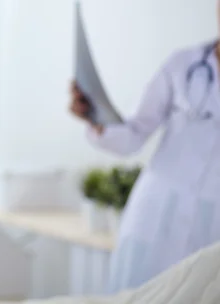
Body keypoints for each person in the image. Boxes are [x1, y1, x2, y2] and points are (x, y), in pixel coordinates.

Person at [69, 35, 220, 293]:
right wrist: (95, 118)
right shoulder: (183, 63)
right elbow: (133, 135)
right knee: (133, 294)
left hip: (213, 221)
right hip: (155, 211)